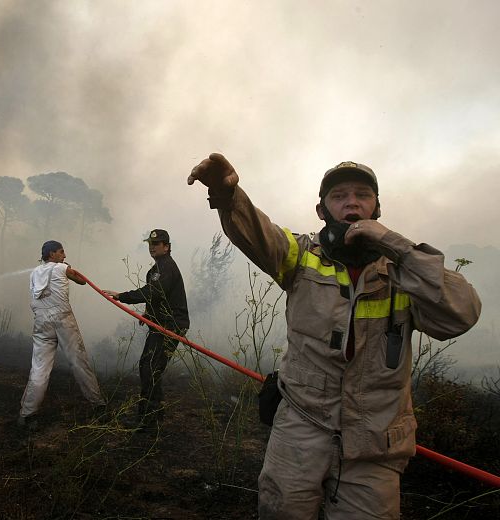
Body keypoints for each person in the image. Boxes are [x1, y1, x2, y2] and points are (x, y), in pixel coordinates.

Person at [188, 153, 481, 519]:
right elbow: (258, 234)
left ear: (377, 208)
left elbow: (462, 313)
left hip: (375, 448)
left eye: (362, 195)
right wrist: (227, 194)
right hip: (299, 433)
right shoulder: (301, 257)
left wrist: (398, 246)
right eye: (339, 196)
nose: (352, 203)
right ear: (322, 210)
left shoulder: (404, 270)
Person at [103, 229, 190, 427]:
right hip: (161, 323)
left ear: (167, 247)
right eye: (150, 244)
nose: (151, 247)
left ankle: (149, 419)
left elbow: (153, 291)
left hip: (171, 325)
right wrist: (148, 315)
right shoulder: (158, 267)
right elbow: (159, 297)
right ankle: (153, 414)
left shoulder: (166, 266)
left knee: (149, 367)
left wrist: (122, 296)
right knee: (149, 367)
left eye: (156, 244)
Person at [18, 240, 106, 428]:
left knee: (39, 368)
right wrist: (67, 268)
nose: (64, 255)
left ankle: (27, 414)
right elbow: (82, 281)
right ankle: (98, 405)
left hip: (41, 323)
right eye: (61, 252)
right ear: (52, 255)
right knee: (79, 362)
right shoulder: (60, 268)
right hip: (63, 320)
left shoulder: (34, 273)